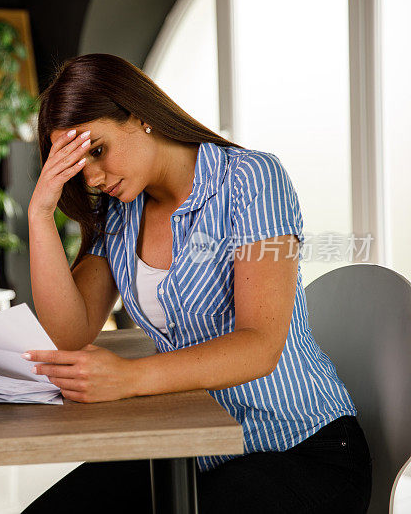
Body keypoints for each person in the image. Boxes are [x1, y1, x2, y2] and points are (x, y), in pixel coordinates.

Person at [21, 54, 372, 513]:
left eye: (98, 150)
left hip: (302, 448)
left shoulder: (252, 179)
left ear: (140, 116)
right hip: (193, 449)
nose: (91, 176)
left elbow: (260, 346)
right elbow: (68, 334)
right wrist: (40, 213)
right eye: (75, 163)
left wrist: (128, 377)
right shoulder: (120, 211)